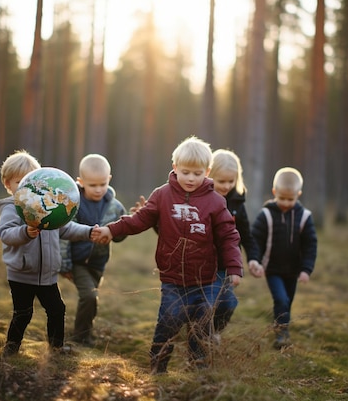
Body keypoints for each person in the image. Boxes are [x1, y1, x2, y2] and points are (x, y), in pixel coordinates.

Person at [93, 136, 243, 374]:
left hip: (207, 279)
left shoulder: (215, 201)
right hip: (173, 278)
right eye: (185, 172)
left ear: (207, 171)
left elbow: (228, 235)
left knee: (201, 324)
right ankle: (158, 366)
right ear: (174, 168)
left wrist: (234, 268)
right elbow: (139, 220)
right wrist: (111, 229)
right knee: (169, 320)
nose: (191, 178)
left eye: (197, 173)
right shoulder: (162, 195)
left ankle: (198, 366)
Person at [0, 150, 96, 357]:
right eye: (18, 182)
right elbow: (6, 234)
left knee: (57, 310)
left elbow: (66, 229)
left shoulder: (49, 208)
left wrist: (88, 232)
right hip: (22, 274)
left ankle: (56, 348)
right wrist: (25, 232)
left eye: (32, 181)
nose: (27, 188)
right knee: (23, 314)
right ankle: (11, 347)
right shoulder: (12, 209)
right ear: (8, 185)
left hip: (48, 276)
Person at [58, 154, 127, 348]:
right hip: (77, 262)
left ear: (109, 179)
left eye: (102, 184)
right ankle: (81, 337)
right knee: (89, 296)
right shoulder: (73, 204)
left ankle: (84, 330)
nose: (98, 189)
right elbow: (63, 235)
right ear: (80, 182)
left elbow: (120, 236)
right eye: (92, 185)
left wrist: (128, 223)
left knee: (90, 299)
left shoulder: (115, 207)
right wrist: (64, 264)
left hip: (98, 262)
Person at [250, 167, 317, 349]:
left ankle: (281, 327)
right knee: (281, 299)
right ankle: (281, 335)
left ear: (298, 195)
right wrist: (255, 260)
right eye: (282, 199)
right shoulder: (266, 215)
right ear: (274, 193)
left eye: (291, 199)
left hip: (293, 270)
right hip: (272, 269)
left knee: (287, 302)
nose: (286, 203)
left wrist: (306, 269)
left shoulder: (304, 217)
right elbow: (255, 239)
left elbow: (310, 245)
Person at [206, 149, 264, 340]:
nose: (226, 186)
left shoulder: (237, 203)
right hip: (202, 263)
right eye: (221, 181)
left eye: (231, 181)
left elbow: (246, 235)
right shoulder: (200, 199)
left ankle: (214, 331)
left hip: (225, 266)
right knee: (205, 304)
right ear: (209, 175)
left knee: (228, 304)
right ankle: (200, 337)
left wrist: (254, 259)